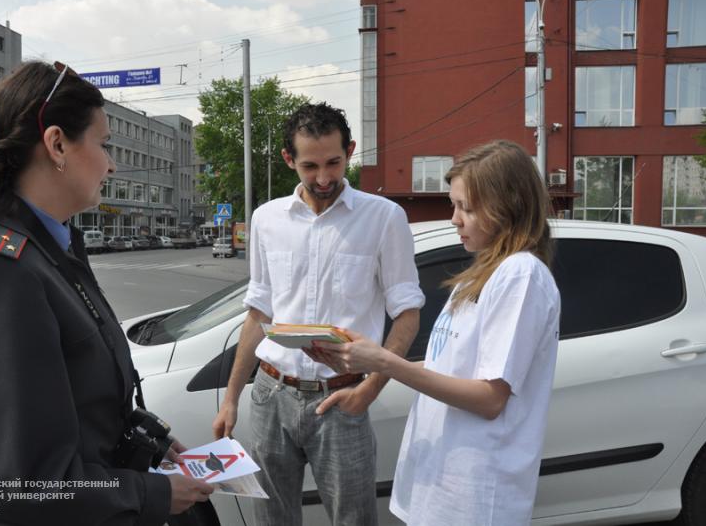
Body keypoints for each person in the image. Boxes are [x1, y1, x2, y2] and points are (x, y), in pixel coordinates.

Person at [0, 61, 214, 525]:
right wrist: (152, 493)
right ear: (56, 144)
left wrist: (145, 439)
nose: (111, 163)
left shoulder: (50, 250)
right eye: (104, 143)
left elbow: (71, 404)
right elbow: (18, 487)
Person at [310, 140, 561, 526]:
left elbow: (490, 398)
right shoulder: (477, 278)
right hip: (442, 486)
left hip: (476, 496)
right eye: (453, 205)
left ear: (507, 207)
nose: (454, 219)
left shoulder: (521, 275)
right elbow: (451, 366)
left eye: (467, 208)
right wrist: (366, 375)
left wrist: (385, 362)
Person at [211, 102, 425, 525]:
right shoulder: (267, 219)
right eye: (310, 166)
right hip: (270, 395)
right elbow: (258, 314)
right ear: (289, 159)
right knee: (272, 519)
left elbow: (408, 314)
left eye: (334, 162)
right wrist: (231, 398)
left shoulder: (384, 218)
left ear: (351, 150)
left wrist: (369, 391)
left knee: (353, 519)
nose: (324, 178)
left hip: (342, 397)